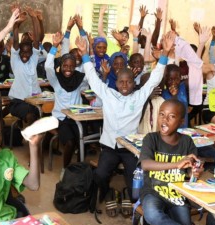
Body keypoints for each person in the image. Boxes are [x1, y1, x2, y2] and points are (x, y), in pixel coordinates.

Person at [75, 31, 174, 201]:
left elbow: (155, 78)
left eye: (129, 81)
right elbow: (92, 78)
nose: (125, 85)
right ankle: (106, 192)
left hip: (130, 148)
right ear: (116, 83)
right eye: (121, 82)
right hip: (109, 147)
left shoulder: (139, 96)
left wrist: (165, 53)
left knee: (134, 178)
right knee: (100, 174)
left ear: (133, 82)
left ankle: (129, 197)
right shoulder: (108, 94)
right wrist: (84, 54)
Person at [140, 99, 215, 225]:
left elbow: (190, 170)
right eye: (162, 114)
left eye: (171, 116)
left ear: (181, 121)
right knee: (152, 215)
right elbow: (145, 164)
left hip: (177, 195)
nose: (164, 119)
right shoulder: (151, 139)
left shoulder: (187, 142)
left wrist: (195, 171)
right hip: (153, 191)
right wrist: (176, 164)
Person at [46, 32, 88, 168]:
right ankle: (65, 169)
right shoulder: (56, 80)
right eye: (65, 66)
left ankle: (78, 170)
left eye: (71, 66)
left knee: (82, 140)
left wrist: (85, 53)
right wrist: (54, 46)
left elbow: (92, 75)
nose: (68, 69)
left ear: (75, 67)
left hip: (76, 117)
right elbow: (47, 67)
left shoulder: (79, 79)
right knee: (70, 142)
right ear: (61, 66)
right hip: (61, 118)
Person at [8, 7, 44, 126]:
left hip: (35, 100)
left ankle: (44, 142)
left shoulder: (33, 60)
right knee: (31, 116)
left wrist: (34, 18)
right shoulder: (16, 61)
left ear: (31, 53)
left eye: (27, 52)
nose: (25, 54)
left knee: (48, 113)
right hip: (18, 101)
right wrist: (17, 22)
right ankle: (32, 143)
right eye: (22, 52)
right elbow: (16, 41)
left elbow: (37, 40)